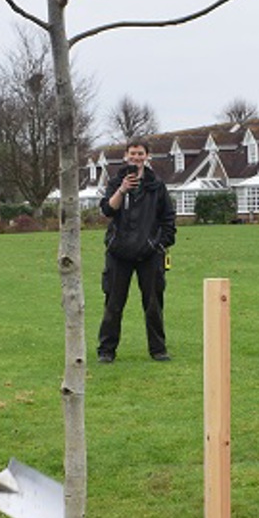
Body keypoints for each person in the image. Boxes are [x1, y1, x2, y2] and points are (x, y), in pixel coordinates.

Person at [97, 141, 177, 363]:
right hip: (119, 253)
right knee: (113, 304)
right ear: (126, 156)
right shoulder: (116, 182)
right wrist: (122, 190)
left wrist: (159, 244)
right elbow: (107, 210)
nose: (136, 157)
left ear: (147, 157)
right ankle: (106, 351)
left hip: (149, 254)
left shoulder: (157, 186)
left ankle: (158, 350)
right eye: (132, 153)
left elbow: (168, 220)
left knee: (153, 304)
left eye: (140, 154)